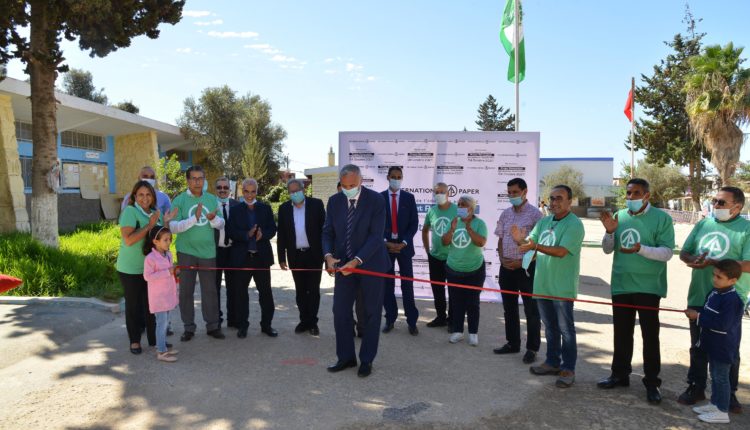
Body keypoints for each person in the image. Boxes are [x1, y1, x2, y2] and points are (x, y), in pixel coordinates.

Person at [597, 178, 675, 404]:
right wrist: (609, 232)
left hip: (649, 287)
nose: (630, 197)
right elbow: (607, 249)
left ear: (647, 195)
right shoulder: (619, 216)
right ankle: (619, 375)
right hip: (621, 284)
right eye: (628, 193)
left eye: (636, 193)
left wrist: (641, 249)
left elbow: (667, 252)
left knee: (650, 336)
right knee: (621, 333)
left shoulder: (662, 218)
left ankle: (652, 383)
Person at [678, 187, 750, 413]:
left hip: (730, 300)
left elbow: (748, 264)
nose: (715, 206)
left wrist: (715, 263)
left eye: (721, 203)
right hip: (699, 294)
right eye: (714, 201)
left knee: (727, 350)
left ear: (737, 207)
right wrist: (693, 260)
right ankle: (696, 387)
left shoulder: (747, 229)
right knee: (698, 346)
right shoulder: (703, 224)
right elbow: (684, 252)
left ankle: (729, 394)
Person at [323, 164, 388, 378]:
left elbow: (376, 237)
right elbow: (327, 232)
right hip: (343, 267)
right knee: (340, 311)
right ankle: (346, 357)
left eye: (352, 185)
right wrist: (328, 256)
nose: (348, 189)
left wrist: (357, 261)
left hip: (371, 265)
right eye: (344, 186)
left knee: (370, 313)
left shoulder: (376, 200)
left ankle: (366, 359)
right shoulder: (334, 201)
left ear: (361, 181)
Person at [519, 185, 584, 389]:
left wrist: (535, 246)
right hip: (542, 284)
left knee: (566, 330)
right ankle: (552, 362)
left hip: (562, 287)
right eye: (552, 198)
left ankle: (568, 369)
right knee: (549, 328)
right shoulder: (544, 221)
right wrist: (520, 239)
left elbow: (561, 251)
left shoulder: (575, 224)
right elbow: (530, 242)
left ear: (570, 201)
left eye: (559, 198)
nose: (554, 202)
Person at [115, 180, 175, 354]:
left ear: (153, 197)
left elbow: (160, 238)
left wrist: (166, 222)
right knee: (133, 306)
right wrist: (149, 225)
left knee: (153, 305)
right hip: (131, 269)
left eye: (148, 194)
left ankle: (155, 340)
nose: (145, 198)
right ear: (134, 196)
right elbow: (128, 240)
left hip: (152, 269)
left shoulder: (155, 213)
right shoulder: (130, 211)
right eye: (140, 194)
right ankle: (134, 341)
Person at [169, 166, 225, 342]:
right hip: (186, 252)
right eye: (193, 178)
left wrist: (213, 219)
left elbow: (221, 224)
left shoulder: (212, 199)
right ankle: (188, 327)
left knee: (210, 291)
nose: (197, 182)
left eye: (200, 178)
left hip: (208, 252)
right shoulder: (179, 200)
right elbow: (173, 227)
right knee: (186, 291)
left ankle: (213, 326)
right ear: (187, 180)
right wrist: (194, 218)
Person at [685, 259, 745, 424]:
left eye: (719, 277)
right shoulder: (715, 292)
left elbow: (723, 324)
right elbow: (708, 312)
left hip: (723, 347)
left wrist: (698, 316)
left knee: (721, 378)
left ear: (733, 280)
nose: (714, 279)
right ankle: (715, 404)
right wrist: (696, 313)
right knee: (715, 376)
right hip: (712, 344)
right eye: (714, 275)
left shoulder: (732, 300)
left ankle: (722, 411)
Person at [493, 178, 542, 363]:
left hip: (526, 269)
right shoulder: (505, 214)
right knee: (509, 308)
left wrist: (521, 263)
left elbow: (539, 246)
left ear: (525, 191)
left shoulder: (536, 215)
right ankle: (512, 343)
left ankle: (532, 348)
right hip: (506, 268)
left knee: (531, 310)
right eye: (509, 192)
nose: (512, 195)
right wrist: (501, 258)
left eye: (515, 192)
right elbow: (500, 239)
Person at [227, 178, 278, 339]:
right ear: (242, 191)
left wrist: (264, 234)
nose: (249, 195)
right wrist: (246, 234)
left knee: (266, 294)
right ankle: (242, 326)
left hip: (261, 258)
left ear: (257, 191)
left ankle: (267, 325)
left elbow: (272, 229)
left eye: (253, 191)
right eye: (246, 191)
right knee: (241, 294)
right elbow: (231, 231)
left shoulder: (265, 208)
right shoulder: (235, 210)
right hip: (242, 258)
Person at [277, 178, 326, 336]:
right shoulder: (284, 208)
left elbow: (325, 231)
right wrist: (281, 258)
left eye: (297, 191)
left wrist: (327, 255)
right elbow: (281, 234)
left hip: (314, 255)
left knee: (313, 290)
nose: (294, 194)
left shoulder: (316, 205)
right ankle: (304, 321)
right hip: (295, 255)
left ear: (303, 189)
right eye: (291, 192)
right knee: (300, 291)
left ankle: (313, 322)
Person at [442, 195, 488, 347]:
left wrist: (469, 228)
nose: (460, 207)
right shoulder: (454, 222)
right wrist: (452, 229)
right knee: (456, 302)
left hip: (474, 270)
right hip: (453, 269)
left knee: (473, 303)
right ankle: (458, 331)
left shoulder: (479, 223)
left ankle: (473, 333)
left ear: (471, 209)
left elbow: (481, 242)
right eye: (459, 204)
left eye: (464, 205)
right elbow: (444, 242)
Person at [381, 166, 420, 335]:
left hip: (405, 247)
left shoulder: (409, 198)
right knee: (387, 286)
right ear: (388, 177)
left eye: (399, 177)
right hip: (386, 248)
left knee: (407, 285)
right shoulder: (380, 198)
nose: (396, 179)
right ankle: (390, 319)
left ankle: (412, 321)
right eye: (393, 176)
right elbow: (376, 223)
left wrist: (404, 242)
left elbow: (414, 223)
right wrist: (386, 242)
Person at [422, 182, 457, 329]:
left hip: (453, 258)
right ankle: (441, 317)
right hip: (435, 257)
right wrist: (427, 251)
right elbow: (425, 230)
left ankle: (453, 320)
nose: (439, 195)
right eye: (437, 192)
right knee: (437, 289)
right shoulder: (432, 211)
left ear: (448, 193)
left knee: (454, 291)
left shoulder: (457, 210)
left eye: (442, 192)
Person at [142, 225, 179, 363]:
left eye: (170, 239)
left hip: (167, 294)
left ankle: (161, 345)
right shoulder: (150, 258)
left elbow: (169, 272)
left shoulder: (168, 254)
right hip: (159, 298)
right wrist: (167, 272)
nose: (169, 242)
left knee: (165, 323)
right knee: (161, 324)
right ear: (155, 241)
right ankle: (161, 352)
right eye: (165, 240)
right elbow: (147, 276)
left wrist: (174, 272)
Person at [214, 177, 240, 328]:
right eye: (219, 187)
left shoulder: (238, 205)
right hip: (215, 252)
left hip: (233, 251)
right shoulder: (210, 205)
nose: (222, 190)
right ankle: (216, 319)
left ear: (230, 189)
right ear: (215, 189)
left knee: (234, 287)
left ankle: (233, 319)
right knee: (214, 287)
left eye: (225, 187)